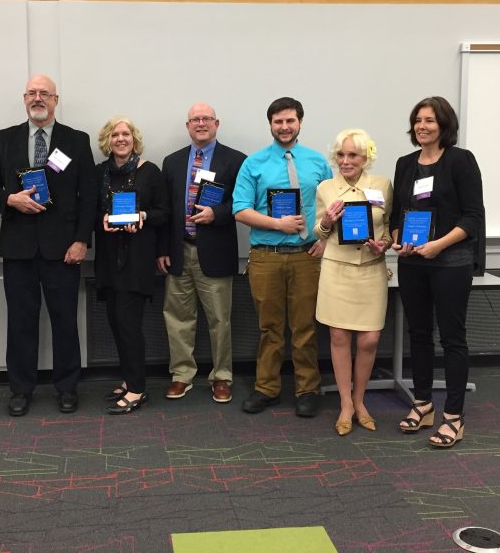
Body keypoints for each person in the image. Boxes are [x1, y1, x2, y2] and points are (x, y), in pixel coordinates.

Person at [0, 74, 97, 416]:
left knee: (65, 320)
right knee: (20, 321)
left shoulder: (76, 141)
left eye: (44, 93)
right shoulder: (4, 139)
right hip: (18, 248)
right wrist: (10, 200)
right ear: (24, 98)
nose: (38, 98)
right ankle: (21, 389)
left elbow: (88, 194)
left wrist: (81, 240)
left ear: (55, 100)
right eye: (32, 93)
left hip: (62, 249)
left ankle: (67, 387)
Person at [390, 96, 485, 448]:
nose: (422, 126)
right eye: (418, 120)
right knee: (418, 334)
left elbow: (473, 217)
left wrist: (439, 244)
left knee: (452, 338)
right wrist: (399, 238)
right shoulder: (404, 164)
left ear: (444, 125)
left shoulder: (460, 161)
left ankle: (454, 417)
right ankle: (423, 404)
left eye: (430, 120)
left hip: (450, 262)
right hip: (412, 262)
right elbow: (399, 212)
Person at [232, 97, 331, 417]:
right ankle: (267, 388)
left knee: (305, 327)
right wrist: (278, 223)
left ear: (300, 122)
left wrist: (325, 242)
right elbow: (240, 210)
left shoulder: (318, 163)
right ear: (270, 125)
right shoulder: (254, 163)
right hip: (266, 257)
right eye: (278, 122)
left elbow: (334, 208)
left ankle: (307, 389)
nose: (284, 127)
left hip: (307, 256)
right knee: (269, 327)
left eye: (290, 121)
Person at [157, 103, 246, 404]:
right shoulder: (172, 162)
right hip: (179, 251)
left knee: (220, 320)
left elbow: (242, 204)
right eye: (195, 119)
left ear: (217, 123)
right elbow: (165, 211)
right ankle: (182, 375)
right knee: (178, 318)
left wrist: (216, 214)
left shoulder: (235, 160)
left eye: (206, 118)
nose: (201, 123)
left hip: (216, 251)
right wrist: (162, 250)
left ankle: (222, 377)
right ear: (187, 126)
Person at [313, 129, 393, 436]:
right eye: (341, 155)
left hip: (371, 269)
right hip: (337, 269)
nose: (346, 161)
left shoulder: (382, 185)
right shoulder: (325, 187)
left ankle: (361, 401)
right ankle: (346, 404)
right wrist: (327, 222)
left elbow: (387, 229)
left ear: (365, 158)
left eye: (353, 155)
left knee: (370, 339)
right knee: (338, 337)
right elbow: (317, 233)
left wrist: (383, 245)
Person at [94, 117, 167, 414]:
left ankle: (137, 389)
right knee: (115, 322)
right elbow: (92, 210)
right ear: (107, 141)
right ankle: (129, 378)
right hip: (108, 260)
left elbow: (164, 213)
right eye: (115, 134)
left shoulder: (150, 172)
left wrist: (143, 217)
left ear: (134, 139)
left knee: (129, 325)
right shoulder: (99, 173)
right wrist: (101, 221)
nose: (120, 139)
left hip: (137, 260)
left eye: (126, 134)